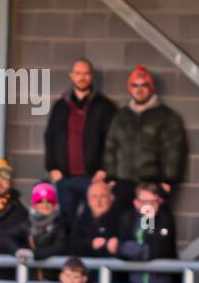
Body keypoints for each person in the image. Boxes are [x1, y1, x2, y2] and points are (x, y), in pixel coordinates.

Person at [99, 65, 188, 214]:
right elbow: (110, 147)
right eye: (135, 85)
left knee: (148, 227)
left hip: (152, 184)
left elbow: (174, 150)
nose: (139, 89)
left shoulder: (166, 116)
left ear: (151, 87)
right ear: (130, 88)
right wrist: (111, 177)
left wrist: (168, 180)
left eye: (144, 85)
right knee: (124, 226)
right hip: (123, 183)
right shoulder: (121, 116)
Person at [43, 58, 116, 221]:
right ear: (71, 76)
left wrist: (104, 169)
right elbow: (50, 136)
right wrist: (52, 167)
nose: (82, 77)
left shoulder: (105, 106)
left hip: (93, 178)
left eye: (86, 73)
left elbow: (113, 141)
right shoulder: (61, 105)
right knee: (66, 222)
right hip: (65, 178)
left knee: (93, 221)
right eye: (78, 73)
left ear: (91, 76)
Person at [115, 181, 179, 283]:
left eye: (153, 202)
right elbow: (119, 250)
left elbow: (152, 251)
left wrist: (130, 248)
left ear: (159, 201)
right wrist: (129, 248)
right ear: (136, 203)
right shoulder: (129, 219)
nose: (149, 206)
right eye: (145, 202)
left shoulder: (164, 218)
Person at [69, 178, 124, 260]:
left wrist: (119, 246)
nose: (98, 202)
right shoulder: (80, 220)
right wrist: (91, 244)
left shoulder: (123, 219)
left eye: (103, 196)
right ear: (88, 200)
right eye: (94, 197)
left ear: (111, 198)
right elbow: (72, 245)